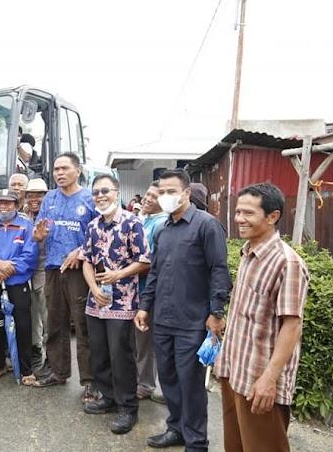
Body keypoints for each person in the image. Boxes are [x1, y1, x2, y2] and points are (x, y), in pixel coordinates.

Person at [134, 168, 232, 450]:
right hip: (163, 319)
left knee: (191, 384)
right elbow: (154, 273)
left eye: (171, 192)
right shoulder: (163, 229)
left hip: (193, 320)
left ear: (186, 193)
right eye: (161, 192)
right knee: (168, 379)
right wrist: (144, 307)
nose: (165, 197)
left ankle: (196, 442)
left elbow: (219, 271)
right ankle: (176, 428)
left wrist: (216, 314)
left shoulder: (206, 225)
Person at [214, 183, 309, 451]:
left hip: (260, 381)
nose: (239, 219)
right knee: (235, 446)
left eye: (248, 213)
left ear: (273, 216)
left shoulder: (286, 263)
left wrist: (269, 379)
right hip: (236, 371)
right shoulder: (247, 253)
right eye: (237, 212)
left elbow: (292, 326)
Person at [81, 175, 150, 434]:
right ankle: (108, 398)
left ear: (117, 192)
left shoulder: (133, 223)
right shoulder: (93, 225)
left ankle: (127, 408)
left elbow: (144, 260)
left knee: (121, 355)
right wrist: (94, 288)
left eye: (105, 190)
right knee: (99, 351)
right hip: (96, 300)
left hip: (122, 302)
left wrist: (117, 275)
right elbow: (86, 260)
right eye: (96, 192)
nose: (100, 195)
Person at [31, 152, 98, 403]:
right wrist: (38, 235)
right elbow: (39, 233)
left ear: (77, 170)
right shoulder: (50, 198)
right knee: (55, 323)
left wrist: (82, 251)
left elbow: (101, 235)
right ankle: (57, 372)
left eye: (64, 168)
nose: (59, 173)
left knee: (83, 325)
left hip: (81, 271)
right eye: (56, 169)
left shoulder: (90, 199)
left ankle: (91, 381)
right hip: (52, 267)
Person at [0, 189, 39, 384]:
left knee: (23, 325)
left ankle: (26, 369)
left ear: (17, 206)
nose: (3, 206)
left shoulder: (26, 227)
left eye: (8, 203)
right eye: (0, 203)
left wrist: (9, 268)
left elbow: (30, 255)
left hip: (17, 283)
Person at [135, 181, 168, 403]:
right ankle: (141, 380)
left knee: (145, 340)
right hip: (137, 288)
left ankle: (145, 385)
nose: (148, 199)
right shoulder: (146, 220)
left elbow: (149, 262)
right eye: (147, 194)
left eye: (154, 197)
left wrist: (120, 271)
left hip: (149, 290)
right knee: (139, 339)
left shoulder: (161, 224)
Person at [24, 178, 50, 373]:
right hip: (25, 273)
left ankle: (52, 357)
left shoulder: (51, 215)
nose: (34, 199)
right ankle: (35, 350)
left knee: (48, 316)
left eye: (39, 195)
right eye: (30, 195)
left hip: (45, 271)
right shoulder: (22, 217)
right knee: (31, 315)